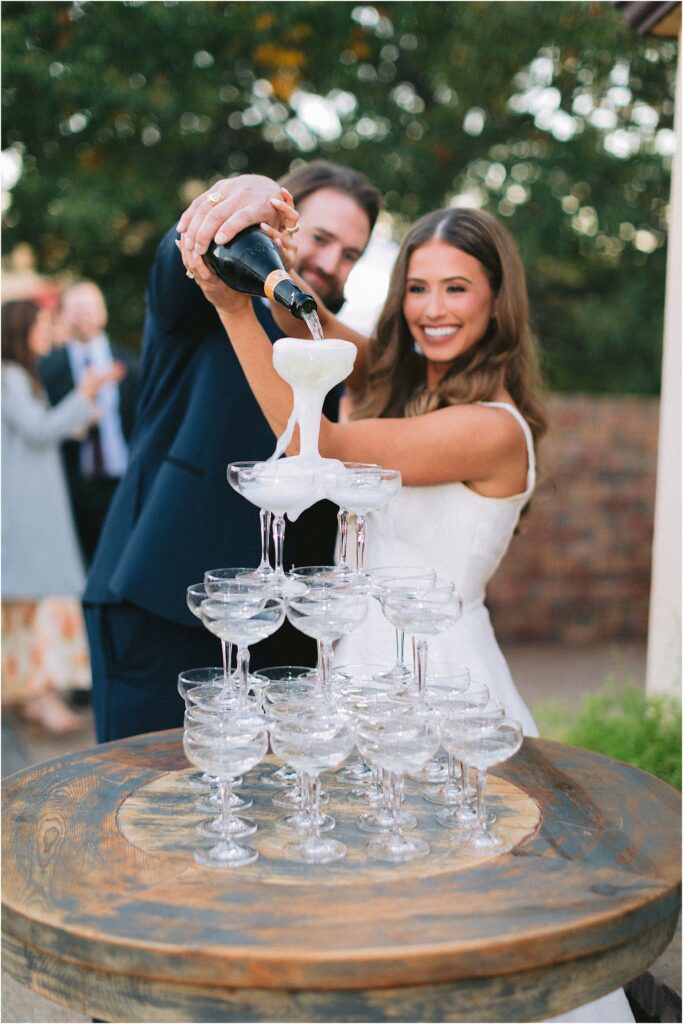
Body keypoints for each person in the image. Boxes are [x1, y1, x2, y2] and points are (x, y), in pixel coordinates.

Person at [181, 199, 635, 1024]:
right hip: (349, 665)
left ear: (498, 302)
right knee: (361, 906)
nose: (431, 310)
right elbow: (307, 323)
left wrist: (225, 310)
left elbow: (324, 443)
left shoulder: (493, 429)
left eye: (455, 288)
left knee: (455, 909)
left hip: (438, 680)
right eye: (416, 287)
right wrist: (260, 261)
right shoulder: (397, 378)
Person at [84, 162, 381, 743]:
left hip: (282, 633)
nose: (331, 263)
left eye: (351, 254)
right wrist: (249, 192)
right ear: (280, 226)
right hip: (163, 606)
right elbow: (183, 255)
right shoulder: (204, 297)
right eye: (320, 238)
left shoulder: (334, 354)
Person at [1, 299, 124, 733]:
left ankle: (29, 695)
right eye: (40, 324)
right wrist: (85, 394)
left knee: (32, 601)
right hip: (26, 505)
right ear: (21, 329)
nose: (46, 331)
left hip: (33, 499)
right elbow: (38, 430)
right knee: (38, 599)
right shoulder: (12, 376)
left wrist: (76, 415)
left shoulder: (21, 376)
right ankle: (39, 695)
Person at [39, 281, 140, 565]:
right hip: (73, 488)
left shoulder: (130, 366)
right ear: (64, 315)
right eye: (76, 309)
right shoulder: (47, 369)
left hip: (123, 483)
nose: (84, 315)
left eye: (90, 307)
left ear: (103, 313)